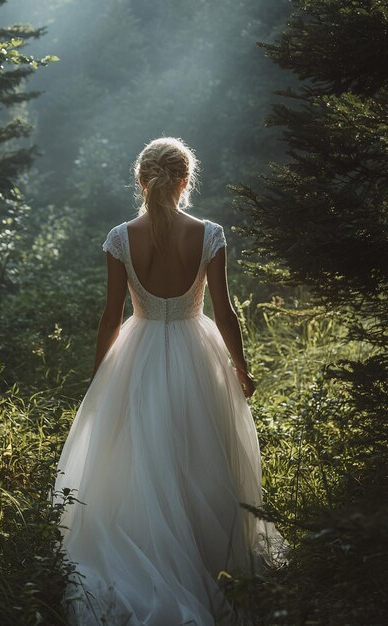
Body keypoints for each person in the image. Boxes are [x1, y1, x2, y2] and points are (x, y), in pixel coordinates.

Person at [53, 137, 286, 626]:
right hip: (196, 352)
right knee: (200, 453)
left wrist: (100, 379)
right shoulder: (209, 233)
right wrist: (241, 368)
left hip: (136, 354)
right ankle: (208, 558)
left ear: (142, 180)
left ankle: (154, 553)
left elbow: (110, 318)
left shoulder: (121, 237)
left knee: (142, 457)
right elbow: (224, 312)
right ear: (185, 181)